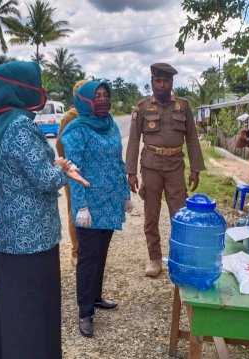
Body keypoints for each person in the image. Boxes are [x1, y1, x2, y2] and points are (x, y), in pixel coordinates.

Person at [0, 61, 88, 359]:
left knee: (11, 304)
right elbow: (45, 179)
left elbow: (17, 170)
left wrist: (50, 168)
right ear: (20, 90)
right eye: (34, 84)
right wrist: (65, 170)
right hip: (31, 237)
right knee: (33, 310)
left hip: (5, 232)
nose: (40, 91)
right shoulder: (20, 126)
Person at [60, 81, 132, 338]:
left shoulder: (110, 123)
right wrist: (80, 207)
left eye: (106, 95)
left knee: (101, 254)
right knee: (88, 258)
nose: (102, 100)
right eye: (96, 96)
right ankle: (85, 312)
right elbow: (72, 170)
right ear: (84, 100)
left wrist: (125, 193)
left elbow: (117, 160)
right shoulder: (75, 130)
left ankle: (97, 296)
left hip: (110, 202)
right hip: (89, 204)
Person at [125, 62, 205, 277]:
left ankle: (179, 258)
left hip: (175, 167)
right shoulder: (142, 108)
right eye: (157, 80)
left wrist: (196, 168)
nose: (161, 85)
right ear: (152, 82)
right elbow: (134, 141)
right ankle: (154, 259)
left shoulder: (183, 106)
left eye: (166, 81)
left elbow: (192, 139)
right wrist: (131, 172)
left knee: (179, 215)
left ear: (171, 83)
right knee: (151, 215)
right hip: (150, 166)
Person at [56, 79, 88, 267]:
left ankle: (88, 247)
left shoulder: (95, 115)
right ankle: (76, 251)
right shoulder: (70, 116)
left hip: (90, 170)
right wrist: (68, 166)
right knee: (74, 208)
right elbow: (60, 142)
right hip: (73, 170)